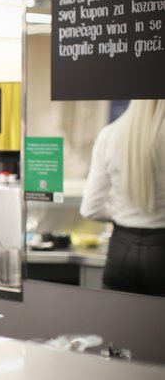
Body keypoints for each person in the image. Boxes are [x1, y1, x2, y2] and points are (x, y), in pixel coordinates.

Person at [80, 100, 165, 296]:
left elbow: (90, 208)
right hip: (162, 249)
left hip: (121, 250)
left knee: (117, 321)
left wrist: (123, 210)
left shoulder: (110, 134)